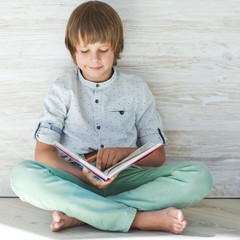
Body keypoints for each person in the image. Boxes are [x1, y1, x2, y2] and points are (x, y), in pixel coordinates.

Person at [10, 1, 212, 235]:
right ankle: (137, 219)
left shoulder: (136, 88)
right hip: (75, 180)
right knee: (22, 176)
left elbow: (158, 156)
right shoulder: (62, 88)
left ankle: (82, 214)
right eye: (85, 51)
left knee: (199, 177)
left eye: (103, 50)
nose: (94, 59)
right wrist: (85, 178)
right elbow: (42, 153)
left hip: (126, 179)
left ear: (116, 48)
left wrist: (124, 153)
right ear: (73, 50)